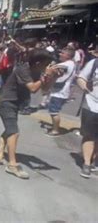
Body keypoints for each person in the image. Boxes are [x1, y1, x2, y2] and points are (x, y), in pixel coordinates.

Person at [0, 49, 58, 179]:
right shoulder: (23, 69)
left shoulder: (38, 72)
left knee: (9, 131)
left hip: (15, 104)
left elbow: (44, 90)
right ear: (38, 62)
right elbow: (33, 88)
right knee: (14, 132)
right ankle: (12, 164)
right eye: (46, 64)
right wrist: (45, 77)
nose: (47, 66)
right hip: (7, 102)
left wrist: (53, 77)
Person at [76, 49, 98, 178]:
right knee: (89, 135)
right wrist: (84, 87)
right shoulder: (94, 63)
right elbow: (81, 78)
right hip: (91, 104)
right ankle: (87, 163)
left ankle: (94, 160)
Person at [46, 47, 75, 137]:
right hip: (60, 91)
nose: (60, 54)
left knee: (54, 111)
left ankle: (55, 130)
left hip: (60, 92)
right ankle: (55, 127)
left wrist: (51, 67)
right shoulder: (71, 64)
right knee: (53, 110)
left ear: (68, 55)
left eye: (62, 53)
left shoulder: (67, 64)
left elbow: (56, 69)